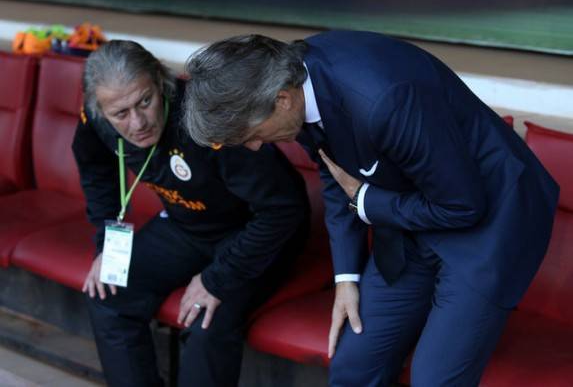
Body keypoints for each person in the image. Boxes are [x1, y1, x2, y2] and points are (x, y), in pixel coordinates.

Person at [183, 30, 559, 386]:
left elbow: (462, 206)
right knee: (354, 366)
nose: (254, 147)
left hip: (488, 220)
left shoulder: (381, 99)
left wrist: (364, 200)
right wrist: (346, 279)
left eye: (251, 135)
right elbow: (336, 174)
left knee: (434, 378)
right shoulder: (295, 81)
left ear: (282, 100)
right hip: (410, 215)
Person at [72, 40, 309, 387]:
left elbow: (283, 209)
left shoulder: (208, 117)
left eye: (145, 101)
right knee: (109, 293)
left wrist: (217, 278)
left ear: (160, 81)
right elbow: (94, 171)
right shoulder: (96, 117)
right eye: (121, 114)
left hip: (256, 235)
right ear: (100, 110)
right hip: (186, 226)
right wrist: (107, 241)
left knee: (205, 323)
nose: (138, 122)